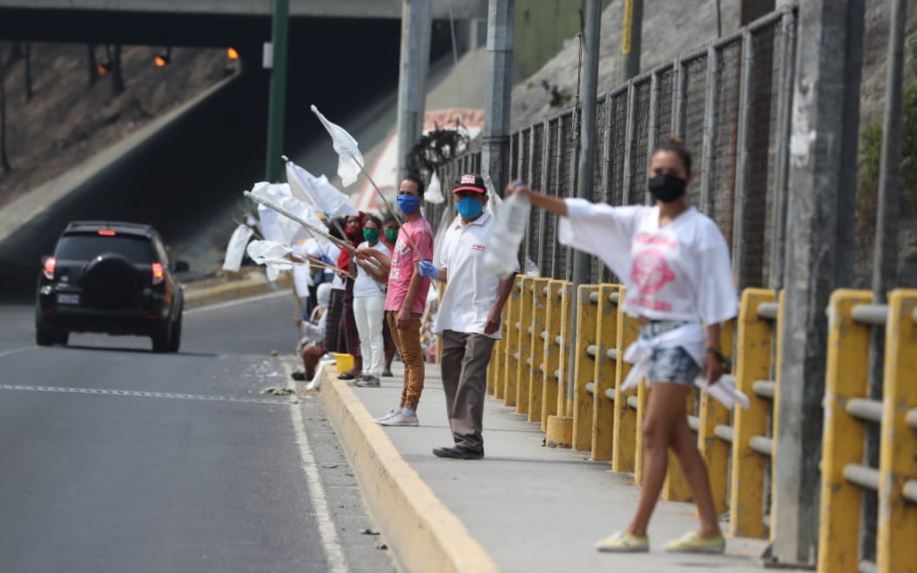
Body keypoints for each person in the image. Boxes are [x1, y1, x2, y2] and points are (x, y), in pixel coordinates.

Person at [510, 138, 737, 554]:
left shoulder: (701, 232)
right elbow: (589, 213)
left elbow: (716, 292)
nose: (661, 178)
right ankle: (709, 528)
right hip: (651, 337)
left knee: (652, 430)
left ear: (688, 177)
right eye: (655, 171)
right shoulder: (642, 221)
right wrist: (531, 197)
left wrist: (713, 349)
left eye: (669, 171)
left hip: (683, 338)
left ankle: (637, 529)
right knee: (677, 439)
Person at [418, 174, 516, 460]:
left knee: (471, 376)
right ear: (455, 198)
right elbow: (448, 270)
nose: (468, 201)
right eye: (463, 196)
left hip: (482, 317)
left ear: (484, 199)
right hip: (452, 316)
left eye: (474, 196)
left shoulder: (497, 230)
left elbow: (509, 272)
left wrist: (497, 310)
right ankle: (461, 436)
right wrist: (435, 273)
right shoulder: (451, 231)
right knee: (451, 375)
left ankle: (471, 441)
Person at [374, 174, 434, 427]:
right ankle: (402, 406)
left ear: (420, 198)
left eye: (410, 194)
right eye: (402, 192)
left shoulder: (420, 231)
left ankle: (410, 410)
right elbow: (397, 266)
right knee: (406, 358)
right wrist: (372, 255)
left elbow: (421, 271)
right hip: (393, 301)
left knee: (412, 359)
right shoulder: (404, 228)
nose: (404, 198)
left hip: (405, 306)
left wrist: (407, 307)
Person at [350, 214, 391, 388]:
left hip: (375, 294)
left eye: (372, 229)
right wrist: (353, 257)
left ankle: (374, 373)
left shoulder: (383, 251)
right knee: (363, 335)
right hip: (358, 294)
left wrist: (367, 265)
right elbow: (353, 272)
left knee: (375, 333)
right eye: (366, 228)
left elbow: (384, 277)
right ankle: (366, 371)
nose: (368, 232)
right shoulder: (360, 246)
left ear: (379, 231)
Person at [295, 283, 332, 382]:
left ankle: (309, 376)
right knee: (303, 344)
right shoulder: (317, 310)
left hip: (328, 345)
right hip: (318, 341)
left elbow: (320, 333)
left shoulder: (329, 311)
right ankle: (307, 371)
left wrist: (302, 324)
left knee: (308, 350)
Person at [380, 215, 400, 377]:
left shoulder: (404, 245)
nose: (393, 231)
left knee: (391, 330)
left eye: (396, 228)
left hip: (395, 292)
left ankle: (387, 364)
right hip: (379, 291)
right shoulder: (379, 247)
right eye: (389, 228)